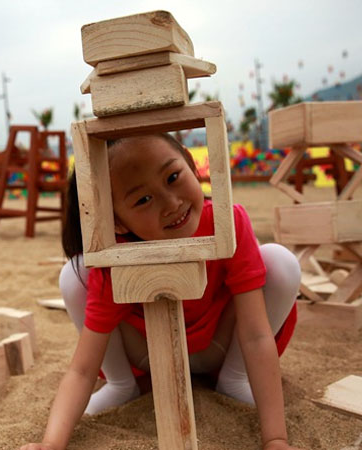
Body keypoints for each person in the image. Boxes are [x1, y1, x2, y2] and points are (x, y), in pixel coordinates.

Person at [22, 133, 301, 450]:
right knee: (75, 274)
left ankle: (234, 379)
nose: (172, 203)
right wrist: (50, 444)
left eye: (173, 177)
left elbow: (256, 335)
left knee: (281, 263)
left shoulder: (229, 222)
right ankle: (121, 384)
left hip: (219, 346)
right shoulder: (114, 259)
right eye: (142, 200)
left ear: (191, 164)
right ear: (117, 223)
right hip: (150, 354)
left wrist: (276, 439)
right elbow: (82, 369)